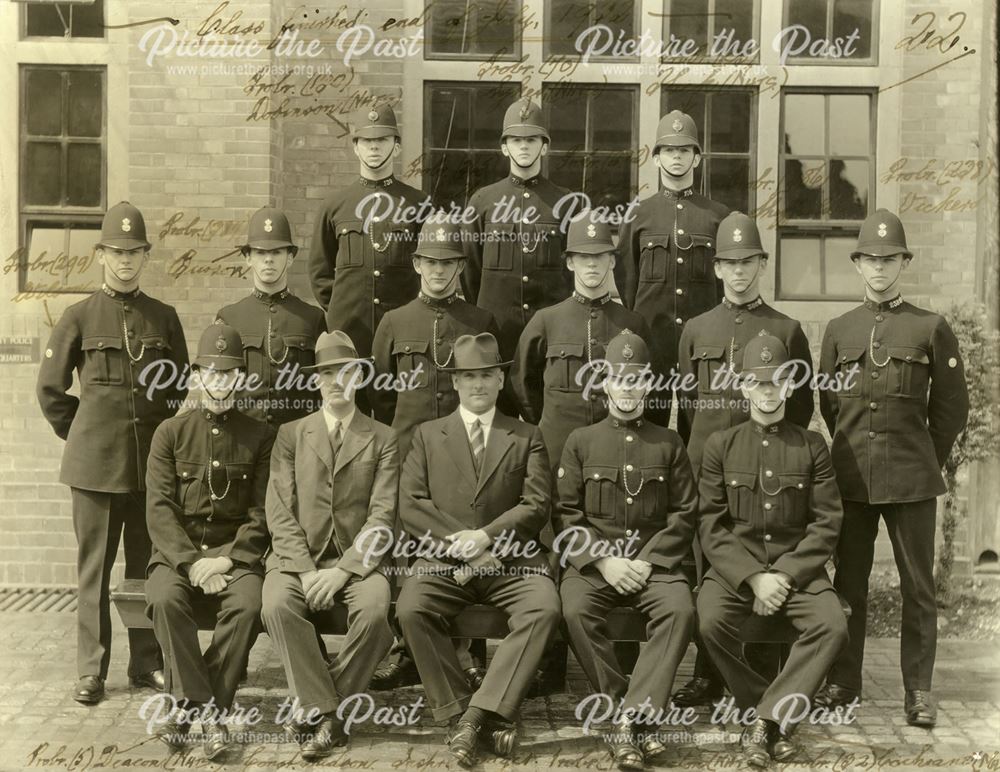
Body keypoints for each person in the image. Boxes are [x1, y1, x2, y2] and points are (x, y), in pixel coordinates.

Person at [814, 210, 969, 728]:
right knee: (849, 585)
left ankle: (918, 691)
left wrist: (924, 458)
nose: (879, 268)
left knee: (917, 588)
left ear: (903, 262)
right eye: (870, 260)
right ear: (857, 264)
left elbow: (951, 409)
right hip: (853, 479)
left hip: (911, 480)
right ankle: (844, 681)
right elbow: (830, 405)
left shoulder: (930, 327)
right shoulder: (839, 330)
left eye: (889, 259)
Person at [36, 201, 189, 705]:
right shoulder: (78, 316)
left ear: (146, 256)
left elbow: (178, 388)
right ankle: (90, 671)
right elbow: (52, 391)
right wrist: (83, 436)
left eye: (135, 252)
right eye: (116, 251)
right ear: (101, 254)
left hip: (149, 471)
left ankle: (146, 663)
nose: (125, 260)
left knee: (146, 570)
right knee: (94, 572)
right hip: (94, 469)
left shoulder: (163, 318)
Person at [396, 333, 561, 767]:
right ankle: (457, 708)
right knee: (412, 607)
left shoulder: (526, 435)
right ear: (454, 382)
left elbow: (536, 505)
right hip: (443, 559)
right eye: (468, 376)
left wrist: (487, 538)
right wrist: (463, 547)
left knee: (543, 608)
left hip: (513, 563)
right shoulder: (428, 435)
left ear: (501, 379)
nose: (478, 384)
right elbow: (412, 505)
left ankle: (474, 717)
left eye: (487, 374)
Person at [672, 211, 814, 707]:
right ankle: (708, 675)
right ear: (716, 268)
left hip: (766, 474)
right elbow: (687, 407)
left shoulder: (786, 328)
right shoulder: (695, 329)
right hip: (708, 472)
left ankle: (760, 671)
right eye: (729, 262)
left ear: (762, 263)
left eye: (748, 261)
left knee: (765, 560)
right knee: (710, 572)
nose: (739, 271)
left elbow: (800, 406)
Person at [697, 332, 847, 768]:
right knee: (707, 622)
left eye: (777, 381)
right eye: (758, 382)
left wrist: (784, 575)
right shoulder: (720, 446)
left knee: (832, 626)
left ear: (790, 386)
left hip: (796, 573)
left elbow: (826, 521)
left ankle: (763, 721)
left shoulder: (812, 445)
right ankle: (772, 714)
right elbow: (711, 522)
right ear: (743, 386)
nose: (768, 391)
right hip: (736, 572)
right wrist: (753, 577)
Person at [554, 330, 698, 770]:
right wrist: (602, 560)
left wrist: (648, 561)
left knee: (680, 612)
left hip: (654, 565)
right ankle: (622, 711)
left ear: (650, 385)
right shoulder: (581, 441)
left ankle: (632, 717)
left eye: (636, 380)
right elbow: (566, 513)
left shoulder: (669, 443)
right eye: (619, 378)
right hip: (596, 567)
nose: (628, 388)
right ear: (605, 384)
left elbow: (685, 512)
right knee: (575, 609)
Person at [261, 331, 398, 760]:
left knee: (376, 613)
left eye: (345, 372)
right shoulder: (290, 435)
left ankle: (315, 711)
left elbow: (383, 516)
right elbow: (279, 510)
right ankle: (331, 713)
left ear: (359, 376)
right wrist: (304, 571)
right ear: (316, 381)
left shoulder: (383, 437)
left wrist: (344, 570)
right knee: (277, 605)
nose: (336, 381)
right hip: (297, 561)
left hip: (359, 563)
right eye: (326, 374)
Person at [144, 322, 274, 759]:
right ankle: (209, 713)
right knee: (164, 600)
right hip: (177, 555)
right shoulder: (170, 433)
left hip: (235, 558)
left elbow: (261, 514)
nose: (220, 383)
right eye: (211, 374)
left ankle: (189, 710)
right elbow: (159, 510)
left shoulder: (260, 434)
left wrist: (226, 561)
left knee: (248, 605)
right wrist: (189, 563)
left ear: (241, 378)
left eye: (229, 374)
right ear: (196, 376)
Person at [309, 104, 433, 409]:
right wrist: (345, 311)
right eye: (366, 140)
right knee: (351, 415)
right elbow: (320, 272)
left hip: (404, 337)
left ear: (397, 145)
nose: (374, 147)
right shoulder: (335, 205)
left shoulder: (418, 204)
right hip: (351, 336)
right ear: (355, 147)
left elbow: (429, 270)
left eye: (382, 139)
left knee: (403, 414)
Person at [511, 211, 650, 469]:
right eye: (583, 257)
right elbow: (522, 382)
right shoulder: (546, 321)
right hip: (558, 451)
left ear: (611, 261)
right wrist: (549, 422)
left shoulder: (633, 323)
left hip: (616, 449)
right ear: (570, 263)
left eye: (599, 256)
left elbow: (651, 387)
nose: (592, 264)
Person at [617, 110, 731, 425]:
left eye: (684, 150)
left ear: (697, 159)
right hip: (652, 345)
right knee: (646, 429)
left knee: (702, 430)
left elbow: (724, 287)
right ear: (656, 159)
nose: (677, 157)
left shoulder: (717, 216)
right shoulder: (639, 215)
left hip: (703, 347)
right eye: (669, 150)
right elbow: (627, 279)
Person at [460, 98, 580, 358]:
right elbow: (470, 272)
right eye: (515, 140)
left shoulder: (566, 202)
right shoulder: (483, 201)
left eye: (532, 140)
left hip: (550, 333)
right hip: (497, 331)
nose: (524, 146)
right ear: (504, 147)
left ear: (545, 147)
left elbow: (573, 272)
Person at [216, 207, 325, 427]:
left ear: (291, 258)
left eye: (276, 252)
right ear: (248, 258)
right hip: (244, 440)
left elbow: (323, 387)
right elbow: (218, 387)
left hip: (298, 439)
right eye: (260, 252)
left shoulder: (312, 318)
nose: (269, 260)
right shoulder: (229, 317)